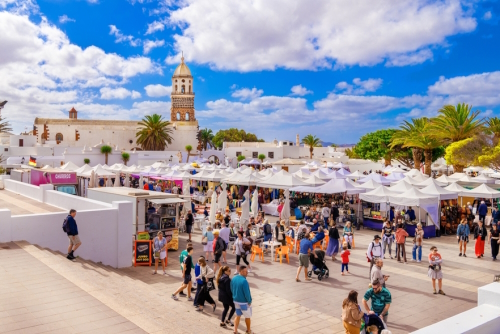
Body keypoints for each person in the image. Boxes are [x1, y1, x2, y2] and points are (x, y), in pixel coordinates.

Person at [231, 266, 252, 334]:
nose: (247, 273)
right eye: (246, 271)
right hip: (244, 303)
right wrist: (249, 301)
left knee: (238, 315)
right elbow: (247, 293)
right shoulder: (244, 281)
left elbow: (231, 289)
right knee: (247, 316)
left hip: (236, 301)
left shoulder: (233, 278)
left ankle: (235, 330)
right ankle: (248, 330)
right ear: (242, 272)